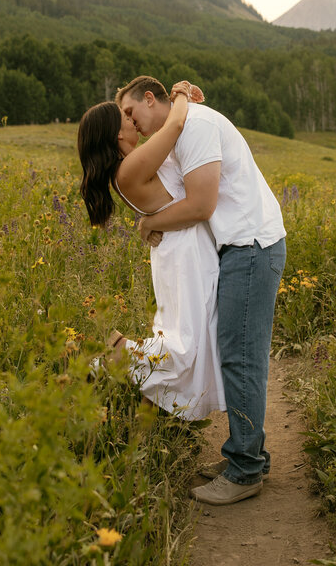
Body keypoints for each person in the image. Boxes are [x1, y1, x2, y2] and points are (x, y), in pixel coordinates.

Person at [116, 76, 286, 506]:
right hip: (239, 246)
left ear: (149, 99)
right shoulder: (180, 128)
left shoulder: (197, 127)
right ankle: (248, 455)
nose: (132, 124)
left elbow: (201, 205)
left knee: (239, 357)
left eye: (131, 113)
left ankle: (246, 471)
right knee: (237, 354)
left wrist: (150, 223)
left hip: (251, 244)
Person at [76, 83, 225, 421]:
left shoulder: (127, 166)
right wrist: (183, 94)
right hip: (186, 252)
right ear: (115, 134)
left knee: (183, 336)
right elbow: (174, 125)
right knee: (187, 344)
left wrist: (148, 221)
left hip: (177, 248)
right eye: (125, 118)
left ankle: (146, 416)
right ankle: (118, 355)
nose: (133, 121)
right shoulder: (129, 169)